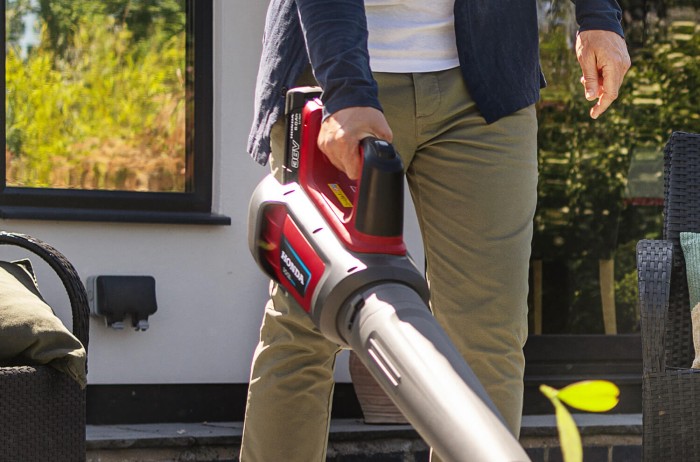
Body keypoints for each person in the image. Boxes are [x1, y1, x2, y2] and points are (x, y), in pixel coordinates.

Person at [241, 0, 631, 460]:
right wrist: (345, 89)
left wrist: (598, 16)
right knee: (305, 324)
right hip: (334, 72)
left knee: (488, 337)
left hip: (487, 84)